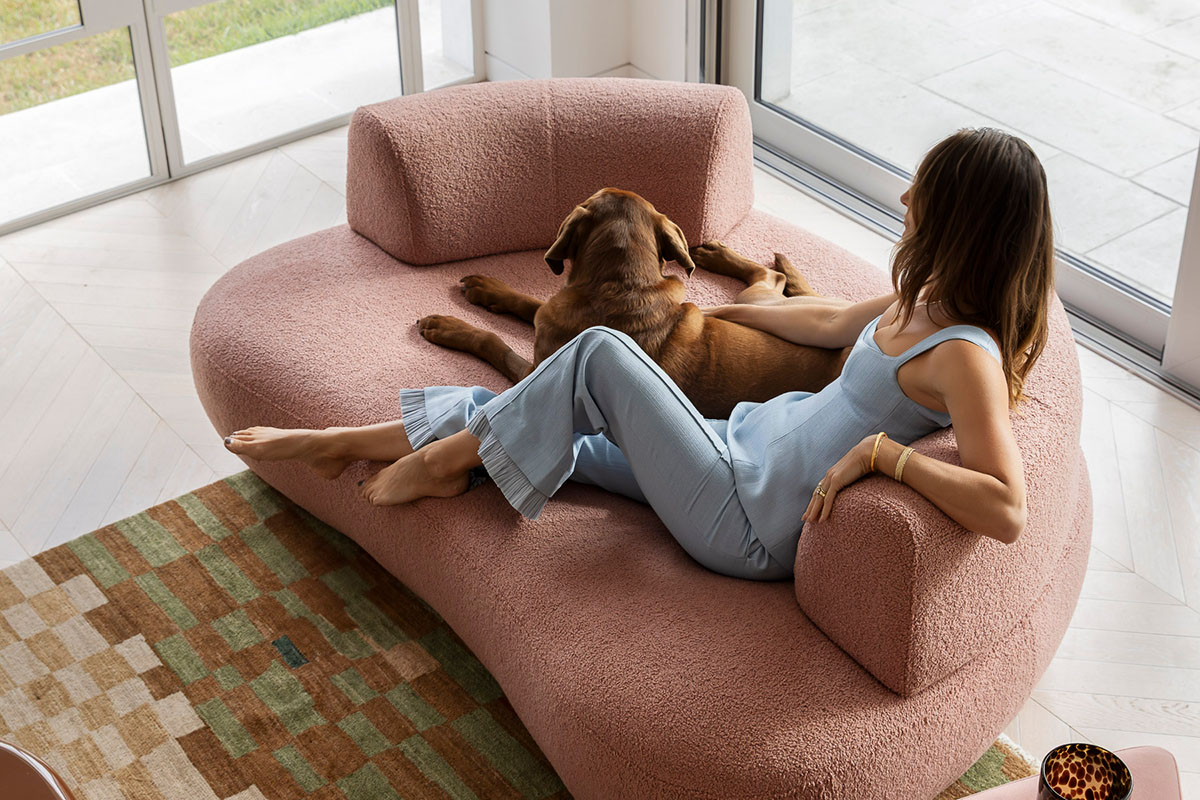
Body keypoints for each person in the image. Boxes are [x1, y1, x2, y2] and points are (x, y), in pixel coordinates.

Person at [223, 127, 1055, 581]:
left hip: (745, 521)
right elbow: (830, 324)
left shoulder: (966, 354)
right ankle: (338, 445)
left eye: (926, 191)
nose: (904, 197)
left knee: (594, 355)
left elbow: (1007, 509)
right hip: (735, 447)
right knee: (551, 418)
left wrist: (887, 457)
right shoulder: (923, 301)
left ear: (963, 219)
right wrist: (723, 314)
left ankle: (442, 462)